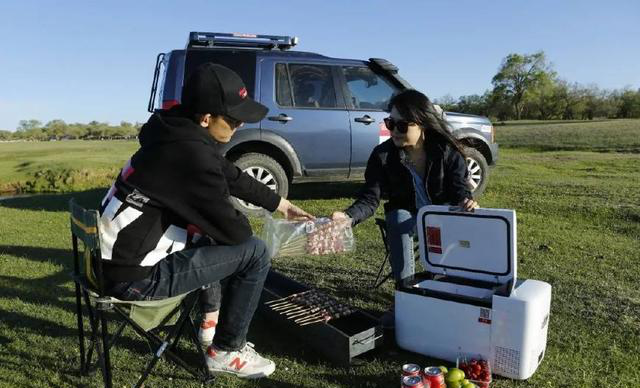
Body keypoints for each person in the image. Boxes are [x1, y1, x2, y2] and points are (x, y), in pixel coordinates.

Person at [98, 63, 313, 379]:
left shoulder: (171, 132)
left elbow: (230, 174)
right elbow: (236, 232)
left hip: (107, 264)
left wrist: (280, 203)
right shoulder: (191, 156)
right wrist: (222, 214)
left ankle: (209, 329)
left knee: (209, 238)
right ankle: (227, 350)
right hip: (134, 280)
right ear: (206, 117)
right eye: (234, 120)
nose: (239, 126)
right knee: (254, 253)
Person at [331, 89, 478, 327]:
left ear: (421, 124)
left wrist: (466, 200)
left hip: (442, 216)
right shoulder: (383, 156)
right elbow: (370, 199)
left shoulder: (446, 151)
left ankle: (446, 295)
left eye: (402, 125)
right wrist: (347, 217)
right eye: (390, 123)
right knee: (398, 217)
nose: (394, 131)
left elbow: (459, 188)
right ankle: (405, 296)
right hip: (407, 218)